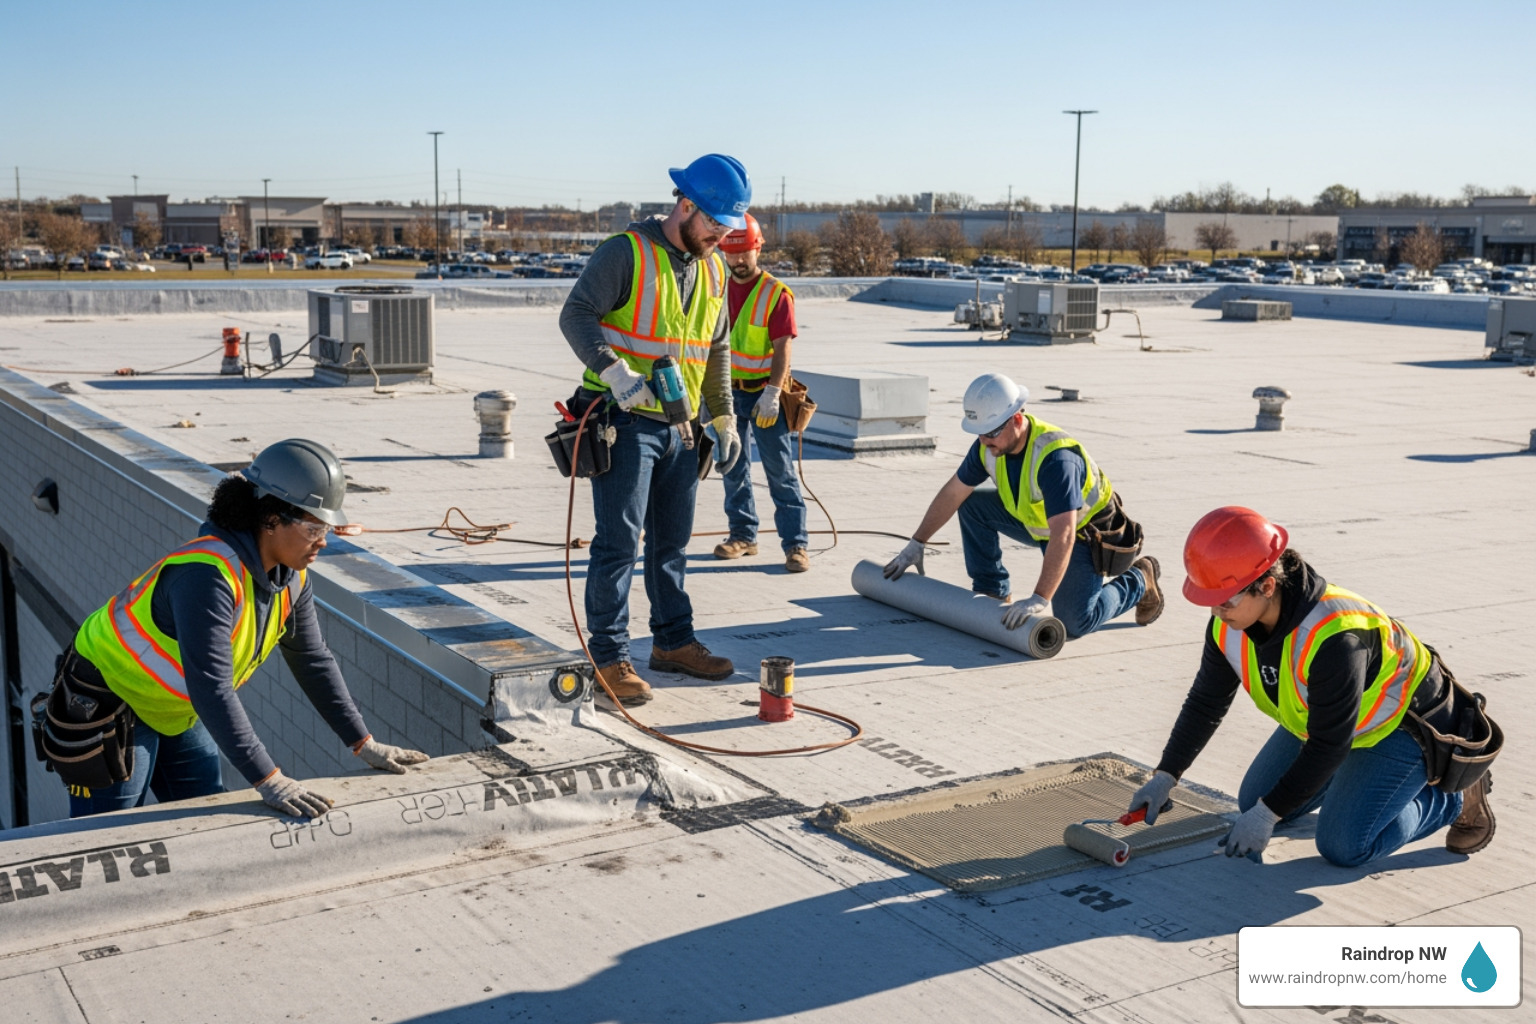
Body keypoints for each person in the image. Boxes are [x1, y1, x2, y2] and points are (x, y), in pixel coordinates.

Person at [61, 439, 429, 820]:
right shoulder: (206, 576)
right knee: (109, 834)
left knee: (206, 811)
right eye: (313, 527)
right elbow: (212, 687)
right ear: (270, 519)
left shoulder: (292, 578)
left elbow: (312, 658)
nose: (322, 541)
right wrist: (269, 779)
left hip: (173, 706)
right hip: (109, 699)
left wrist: (363, 743)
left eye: (328, 529)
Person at [1127, 506, 1493, 866]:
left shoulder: (1335, 637)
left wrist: (1267, 816)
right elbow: (1206, 702)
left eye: (1224, 601)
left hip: (1402, 726)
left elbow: (1329, 744)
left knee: (1343, 845)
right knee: (1254, 799)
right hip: (1330, 723)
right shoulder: (1229, 623)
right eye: (1209, 601)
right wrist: (1166, 775)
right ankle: (1361, 787)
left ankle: (1451, 798)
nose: (1216, 612)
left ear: (1267, 585)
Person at [558, 154, 752, 706]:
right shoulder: (626, 252)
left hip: (682, 427)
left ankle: (671, 642)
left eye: (727, 227)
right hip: (625, 420)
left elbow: (716, 350)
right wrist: (615, 374)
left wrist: (723, 415)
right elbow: (576, 315)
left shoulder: (713, 268)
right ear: (685, 205)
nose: (720, 236)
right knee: (618, 542)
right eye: (714, 224)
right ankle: (609, 656)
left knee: (672, 543)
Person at [883, 371, 1163, 639]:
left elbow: (1063, 534)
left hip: (1083, 534)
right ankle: (992, 590)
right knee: (972, 504)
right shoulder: (988, 444)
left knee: (1075, 622)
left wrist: (1039, 598)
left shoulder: (1056, 460)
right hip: (1038, 522)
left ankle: (1140, 578)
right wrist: (917, 542)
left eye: (990, 433)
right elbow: (954, 492)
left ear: (1016, 419)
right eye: (979, 432)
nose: (983, 440)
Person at [711, 213, 810, 573]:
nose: (738, 262)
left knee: (779, 470)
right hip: (727, 393)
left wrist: (772, 392)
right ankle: (743, 535)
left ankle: (796, 545)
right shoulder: (716, 286)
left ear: (757, 249)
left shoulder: (775, 294)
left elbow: (783, 348)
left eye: (744, 254)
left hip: (764, 394)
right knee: (732, 467)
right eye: (731, 254)